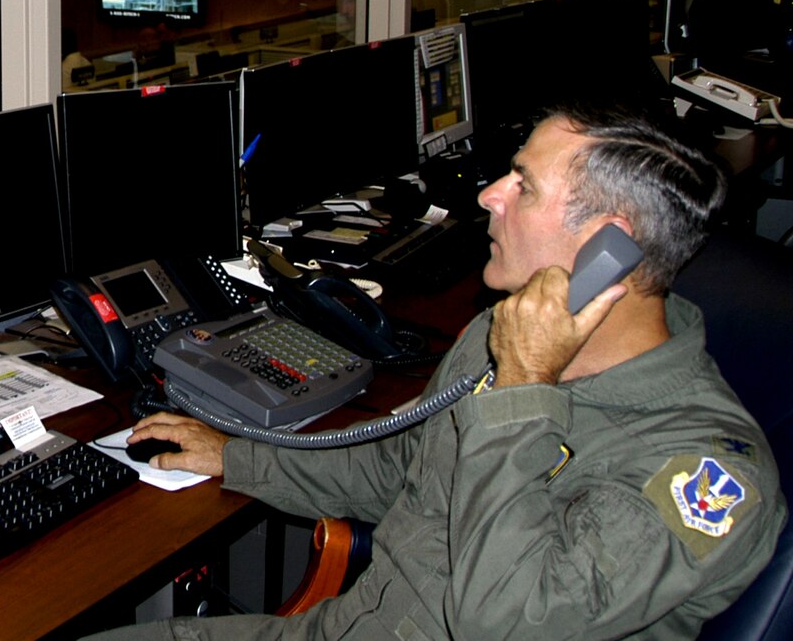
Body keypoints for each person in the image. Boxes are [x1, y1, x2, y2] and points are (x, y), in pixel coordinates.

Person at [84, 102, 787, 640]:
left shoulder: (700, 471)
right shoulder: (500, 334)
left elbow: (502, 618)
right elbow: (398, 469)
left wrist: (523, 390)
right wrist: (236, 458)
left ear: (608, 248)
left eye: (523, 185)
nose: (489, 195)